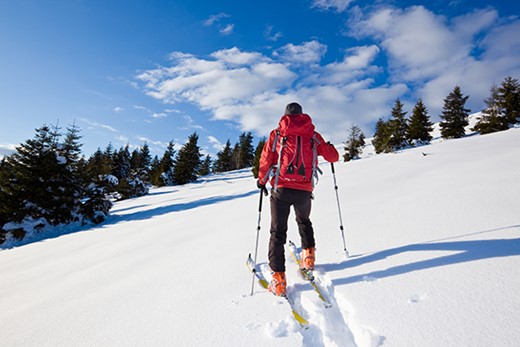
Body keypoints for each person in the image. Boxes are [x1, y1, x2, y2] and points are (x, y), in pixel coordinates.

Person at [257, 102, 339, 297]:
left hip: (282, 189)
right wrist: (330, 148)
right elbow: (333, 157)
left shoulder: (277, 134)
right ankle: (308, 258)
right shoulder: (313, 135)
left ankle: (278, 280)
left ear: (285, 115)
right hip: (304, 190)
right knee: (304, 221)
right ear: (302, 115)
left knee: (278, 232)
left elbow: (266, 158)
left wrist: (262, 181)